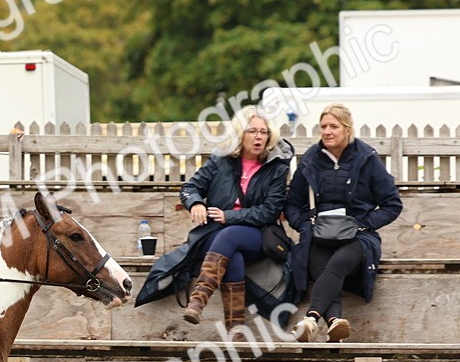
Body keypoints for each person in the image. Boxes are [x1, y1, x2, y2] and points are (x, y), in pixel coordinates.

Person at [135, 107, 294, 338]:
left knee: (230, 236)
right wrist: (196, 204)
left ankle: (198, 299)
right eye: (252, 131)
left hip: (257, 235)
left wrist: (229, 216)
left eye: (263, 132)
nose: (259, 137)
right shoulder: (221, 161)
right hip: (217, 234)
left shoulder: (277, 167)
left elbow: (270, 211)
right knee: (233, 256)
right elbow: (190, 188)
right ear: (240, 133)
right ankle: (236, 332)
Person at [284, 102, 402, 342]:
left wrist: (363, 224)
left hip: (359, 236)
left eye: (333, 126)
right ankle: (334, 323)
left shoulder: (366, 158)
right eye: (323, 126)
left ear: (347, 129)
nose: (327, 131)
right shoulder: (310, 160)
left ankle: (310, 319)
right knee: (323, 268)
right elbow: (292, 204)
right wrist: (305, 225)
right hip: (318, 234)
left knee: (336, 264)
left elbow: (392, 204)